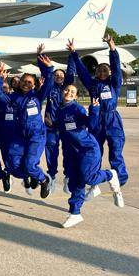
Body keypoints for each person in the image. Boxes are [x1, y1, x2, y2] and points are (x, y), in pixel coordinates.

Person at [55, 86, 124, 228]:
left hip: (88, 149)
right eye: (66, 90)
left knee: (88, 178)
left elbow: (92, 124)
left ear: (76, 97)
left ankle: (110, 175)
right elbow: (62, 128)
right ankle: (75, 213)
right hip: (71, 152)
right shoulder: (59, 109)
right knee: (75, 183)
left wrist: (94, 109)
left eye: (72, 92)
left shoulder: (77, 108)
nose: (68, 93)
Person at [67, 36, 129, 188]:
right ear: (96, 72)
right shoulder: (92, 84)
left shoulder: (114, 83)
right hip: (96, 120)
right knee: (95, 150)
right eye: (99, 70)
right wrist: (74, 53)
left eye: (105, 70)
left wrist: (112, 48)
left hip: (112, 120)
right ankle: (94, 177)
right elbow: (82, 72)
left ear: (109, 72)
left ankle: (119, 180)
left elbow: (116, 66)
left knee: (116, 151)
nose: (102, 72)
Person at [0, 45, 55, 198]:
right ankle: (31, 174)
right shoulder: (14, 97)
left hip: (36, 135)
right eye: (23, 81)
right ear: (19, 82)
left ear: (34, 85)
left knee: (29, 164)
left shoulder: (37, 97)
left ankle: (42, 180)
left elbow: (48, 82)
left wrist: (49, 68)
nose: (26, 84)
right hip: (18, 136)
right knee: (14, 167)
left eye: (29, 82)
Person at [44, 60, 75, 195]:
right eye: (56, 74)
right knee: (51, 152)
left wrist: (71, 56)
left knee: (68, 151)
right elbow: (46, 74)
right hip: (51, 125)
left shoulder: (66, 89)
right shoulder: (49, 87)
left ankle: (68, 178)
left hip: (65, 124)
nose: (58, 76)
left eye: (61, 75)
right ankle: (51, 177)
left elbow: (70, 72)